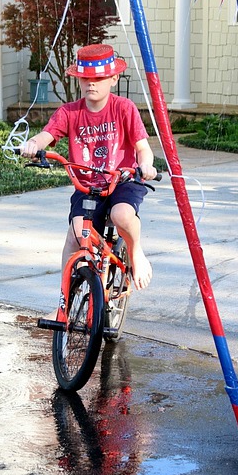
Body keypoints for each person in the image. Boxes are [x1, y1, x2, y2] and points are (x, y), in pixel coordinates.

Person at [21, 43, 157, 291]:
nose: (91, 83)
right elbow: (46, 135)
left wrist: (146, 164)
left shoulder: (123, 108)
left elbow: (142, 147)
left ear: (113, 78)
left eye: (98, 77)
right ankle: (63, 303)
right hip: (87, 186)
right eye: (85, 78)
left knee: (121, 215)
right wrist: (33, 143)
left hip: (122, 180)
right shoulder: (69, 113)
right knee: (75, 236)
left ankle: (136, 252)